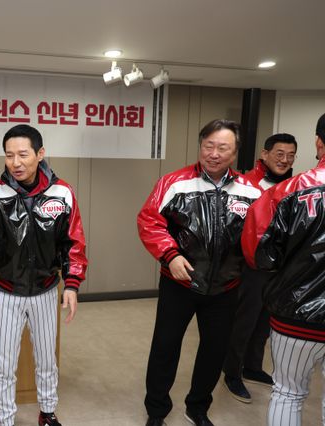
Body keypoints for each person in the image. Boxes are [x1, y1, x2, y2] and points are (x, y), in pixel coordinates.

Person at [137, 119, 261, 426]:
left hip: (226, 287)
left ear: (235, 153)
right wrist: (170, 255)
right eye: (209, 146)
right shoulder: (174, 182)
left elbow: (261, 234)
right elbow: (149, 221)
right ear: (200, 146)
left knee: (214, 350)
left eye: (223, 148)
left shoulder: (251, 191)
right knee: (165, 347)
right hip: (179, 283)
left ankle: (197, 407)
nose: (214, 154)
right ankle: (156, 411)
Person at [0, 124, 88, 426]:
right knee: (5, 364)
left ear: (40, 153)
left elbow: (73, 242)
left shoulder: (62, 193)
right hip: (5, 291)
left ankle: (47, 413)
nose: (15, 163)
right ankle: (4, 419)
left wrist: (72, 284)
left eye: (23, 154)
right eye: (9, 155)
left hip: (45, 290)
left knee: (47, 360)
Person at [242, 113, 325, 426]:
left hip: (296, 314)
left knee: (288, 393)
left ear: (319, 142)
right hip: (296, 312)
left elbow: (258, 252)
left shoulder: (287, 191)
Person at [222, 133, 298, 403]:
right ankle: (232, 372)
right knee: (244, 320)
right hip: (250, 265)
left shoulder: (295, 185)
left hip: (279, 266)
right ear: (264, 155)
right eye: (279, 154)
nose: (285, 160)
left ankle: (252, 367)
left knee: (265, 321)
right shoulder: (246, 184)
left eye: (291, 155)